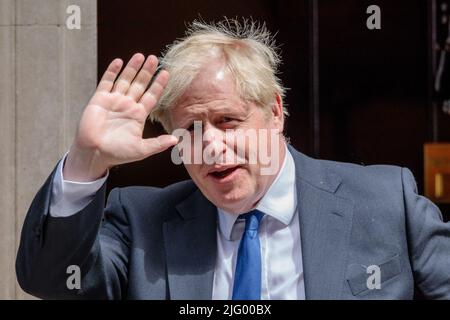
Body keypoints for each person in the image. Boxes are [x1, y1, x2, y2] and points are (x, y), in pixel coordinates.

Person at [16, 18, 450, 300]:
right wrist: (86, 162)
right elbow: (53, 282)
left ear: (276, 112)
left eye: (228, 120)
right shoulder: (140, 221)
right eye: (190, 130)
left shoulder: (386, 201)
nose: (211, 146)